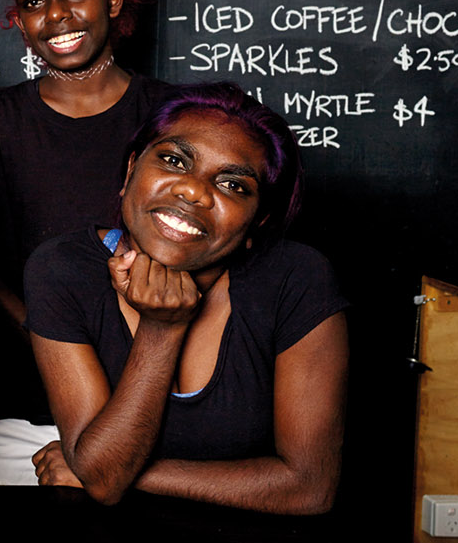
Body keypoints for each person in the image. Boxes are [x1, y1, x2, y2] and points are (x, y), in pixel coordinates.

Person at [26, 83, 348, 514]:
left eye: (233, 185)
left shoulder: (296, 279)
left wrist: (106, 470)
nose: (193, 191)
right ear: (129, 172)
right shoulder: (62, 270)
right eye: (174, 161)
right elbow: (103, 480)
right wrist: (162, 330)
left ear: (258, 221)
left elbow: (309, 489)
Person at [0, 0, 174, 485]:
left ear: (115, 0)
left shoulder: (174, 117)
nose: (58, 15)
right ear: (21, 23)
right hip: (18, 414)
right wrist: (46, 332)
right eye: (34, 2)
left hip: (156, 402)